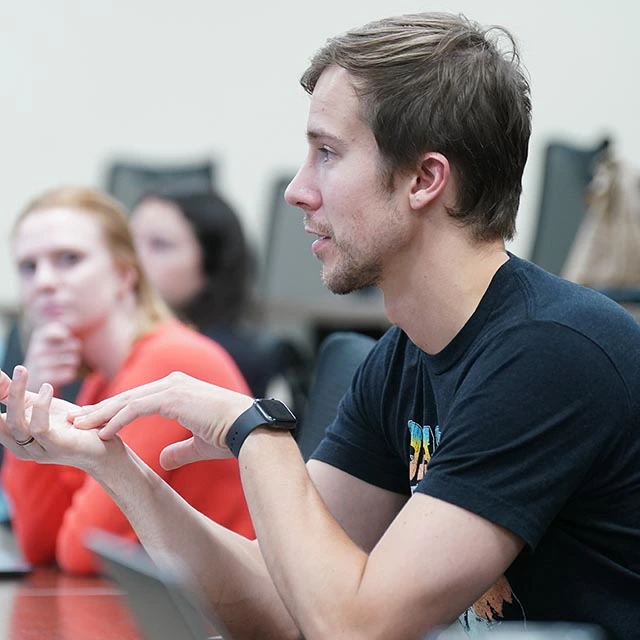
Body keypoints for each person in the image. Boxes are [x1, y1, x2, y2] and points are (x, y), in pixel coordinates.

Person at [0, 12, 638, 639]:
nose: (297, 191)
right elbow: (281, 604)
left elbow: (354, 627)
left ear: (424, 179)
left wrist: (255, 429)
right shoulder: (403, 357)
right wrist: (115, 466)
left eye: (327, 153)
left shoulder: (551, 353)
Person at [0, 186, 254, 575]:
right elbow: (39, 544)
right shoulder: (104, 378)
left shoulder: (170, 362)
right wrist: (34, 407)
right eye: (28, 267)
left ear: (124, 274)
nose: (44, 281)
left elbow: (85, 553)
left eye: (69, 259)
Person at [129, 188, 280, 397]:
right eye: (127, 242)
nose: (132, 258)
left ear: (212, 265)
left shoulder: (227, 357)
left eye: (160, 245)